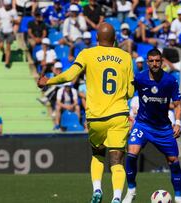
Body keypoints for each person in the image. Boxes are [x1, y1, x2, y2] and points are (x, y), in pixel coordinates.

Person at [37, 23, 135, 203]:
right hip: (118, 115)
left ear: (97, 39)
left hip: (96, 117)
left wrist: (48, 81)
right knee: (117, 160)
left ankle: (97, 190)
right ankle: (116, 198)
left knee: (98, 154)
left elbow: (69, 76)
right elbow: (130, 92)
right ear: (115, 40)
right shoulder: (126, 57)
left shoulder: (87, 54)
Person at [123, 49, 181, 203]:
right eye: (151, 61)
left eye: (157, 60)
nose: (155, 64)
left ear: (162, 61)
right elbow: (125, 95)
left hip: (163, 128)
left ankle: (178, 196)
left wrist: (177, 123)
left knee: (173, 161)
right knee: (131, 154)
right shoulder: (140, 78)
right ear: (147, 62)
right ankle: (131, 191)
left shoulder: (170, 81)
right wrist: (128, 116)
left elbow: (177, 105)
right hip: (142, 125)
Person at [0, 0, 19, 68]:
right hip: (1, 30)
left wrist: (13, 20)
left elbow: (18, 21)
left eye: (8, 5)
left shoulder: (13, 11)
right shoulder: (0, 11)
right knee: (1, 46)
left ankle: (7, 63)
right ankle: (4, 53)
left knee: (8, 46)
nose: (6, 6)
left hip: (10, 31)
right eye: (5, 5)